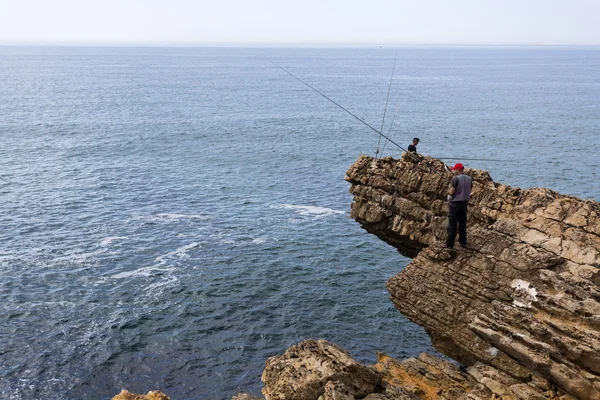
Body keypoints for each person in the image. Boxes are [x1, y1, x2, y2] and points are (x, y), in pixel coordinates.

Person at [446, 162, 472, 249]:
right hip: (464, 204)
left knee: (452, 225)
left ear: (458, 169)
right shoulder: (469, 179)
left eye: (455, 169)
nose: (454, 171)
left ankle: (449, 245)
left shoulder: (455, 179)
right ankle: (463, 243)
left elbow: (452, 191)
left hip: (455, 205)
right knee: (462, 224)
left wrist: (448, 191)